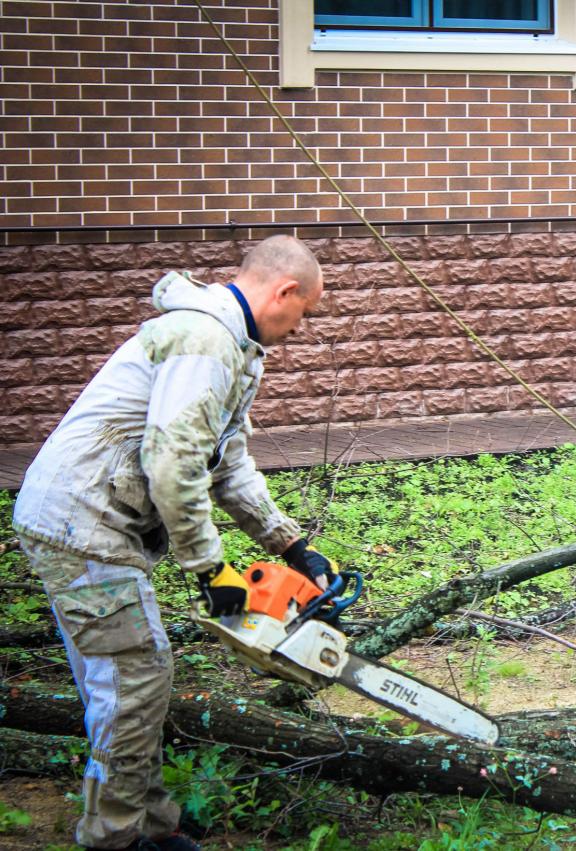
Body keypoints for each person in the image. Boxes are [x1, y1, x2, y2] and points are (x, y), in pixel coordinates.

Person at [13, 235, 336, 851]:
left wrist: (290, 544)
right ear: (285, 291)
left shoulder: (233, 345)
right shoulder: (205, 341)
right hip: (82, 523)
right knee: (134, 678)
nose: (301, 327)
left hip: (91, 519)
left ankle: (149, 822)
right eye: (305, 312)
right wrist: (210, 568)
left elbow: (226, 462)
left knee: (129, 678)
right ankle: (115, 838)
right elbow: (172, 465)